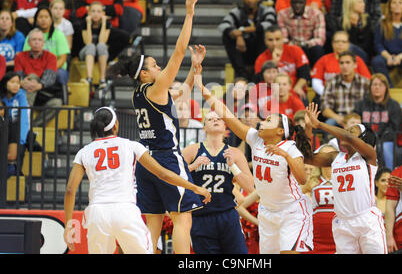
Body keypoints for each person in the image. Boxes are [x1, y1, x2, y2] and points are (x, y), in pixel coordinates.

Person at [106, 0, 205, 254]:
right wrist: (189, 14)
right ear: (145, 74)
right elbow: (179, 50)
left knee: (153, 224)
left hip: (145, 162)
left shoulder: (140, 93)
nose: (160, 66)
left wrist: (195, 72)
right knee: (183, 219)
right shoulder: (155, 86)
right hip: (167, 158)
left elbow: (180, 93)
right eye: (154, 65)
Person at [63, 106, 210, 254]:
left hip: (97, 213)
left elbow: (70, 190)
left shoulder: (84, 152)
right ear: (115, 125)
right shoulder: (132, 145)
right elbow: (163, 174)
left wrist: (69, 224)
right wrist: (194, 187)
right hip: (125, 210)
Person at [195, 72, 314, 254]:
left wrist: (286, 156)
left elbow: (303, 179)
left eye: (268, 120)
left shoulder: (290, 148)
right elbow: (228, 116)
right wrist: (204, 90)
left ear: (279, 131)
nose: (262, 121)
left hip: (291, 212)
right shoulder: (256, 139)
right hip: (267, 211)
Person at [304, 102, 387, 254]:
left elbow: (347, 137)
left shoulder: (368, 156)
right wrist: (308, 128)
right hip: (342, 222)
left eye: (351, 131)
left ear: (362, 138)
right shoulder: (335, 157)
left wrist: (320, 124)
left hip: (366, 220)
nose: (345, 132)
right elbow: (306, 157)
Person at [182, 111, 254, 254]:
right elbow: (172, 178)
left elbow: (250, 187)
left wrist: (233, 166)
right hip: (200, 217)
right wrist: (192, 166)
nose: (215, 120)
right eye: (210, 119)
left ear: (225, 126)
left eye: (219, 118)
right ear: (204, 128)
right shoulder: (191, 151)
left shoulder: (235, 153)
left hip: (228, 215)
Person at [218, 0, 276, 81]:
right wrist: (237, 35)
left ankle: (259, 72)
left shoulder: (266, 10)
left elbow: (268, 24)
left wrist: (242, 31)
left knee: (265, 33)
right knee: (227, 36)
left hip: (260, 49)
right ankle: (242, 75)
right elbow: (223, 25)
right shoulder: (237, 12)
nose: (249, 0)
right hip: (243, 50)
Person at [353, 73, 402, 170]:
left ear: (386, 88)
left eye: (380, 85)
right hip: (364, 140)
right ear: (370, 87)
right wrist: (369, 141)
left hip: (386, 141)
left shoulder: (394, 105)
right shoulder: (360, 105)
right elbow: (357, 125)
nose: (377, 87)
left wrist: (377, 142)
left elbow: (394, 128)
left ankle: (389, 174)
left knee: (386, 147)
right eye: (374, 85)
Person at [14, 28, 62, 127]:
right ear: (29, 42)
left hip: (43, 92)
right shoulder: (20, 56)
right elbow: (18, 76)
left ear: (43, 43)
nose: (37, 42)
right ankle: (26, 116)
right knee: (32, 77)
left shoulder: (51, 57)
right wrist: (22, 82)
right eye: (34, 39)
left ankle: (30, 127)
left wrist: (39, 85)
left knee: (57, 103)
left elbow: (50, 77)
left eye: (39, 40)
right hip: (24, 91)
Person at [254, 25, 310, 103]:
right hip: (272, 94)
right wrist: (273, 63)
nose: (274, 43)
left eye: (277, 39)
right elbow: (260, 81)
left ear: (282, 39)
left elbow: (305, 74)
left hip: (295, 90)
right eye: (270, 40)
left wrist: (297, 87)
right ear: (265, 41)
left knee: (302, 97)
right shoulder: (261, 59)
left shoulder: (295, 50)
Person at [311, 31, 371, 100]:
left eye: (343, 42)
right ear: (332, 44)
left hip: (354, 96)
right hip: (327, 95)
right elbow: (316, 82)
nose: (340, 44)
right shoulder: (323, 60)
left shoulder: (357, 60)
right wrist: (326, 93)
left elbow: (367, 81)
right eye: (337, 41)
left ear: (348, 44)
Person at [23, 7, 71, 89]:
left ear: (51, 20)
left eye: (46, 17)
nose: (43, 20)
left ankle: (63, 98)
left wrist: (48, 71)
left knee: (61, 74)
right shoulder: (31, 35)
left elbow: (62, 59)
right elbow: (26, 56)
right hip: (34, 67)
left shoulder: (59, 35)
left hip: (56, 68)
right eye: (40, 17)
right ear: (36, 20)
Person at [320, 50, 370, 127]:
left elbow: (370, 106)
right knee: (329, 123)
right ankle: (332, 139)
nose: (344, 66)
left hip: (360, 119)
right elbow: (325, 109)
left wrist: (358, 120)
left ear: (355, 65)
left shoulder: (365, 83)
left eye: (348, 62)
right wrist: (338, 118)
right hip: (339, 119)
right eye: (342, 63)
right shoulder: (331, 83)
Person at [277, 0, 325, 66]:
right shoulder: (282, 14)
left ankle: (316, 72)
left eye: (300, 3)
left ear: (305, 3)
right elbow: (282, 38)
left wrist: (305, 44)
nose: (297, 5)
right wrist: (293, 45)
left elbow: (320, 38)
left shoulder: (316, 14)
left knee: (318, 49)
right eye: (295, 3)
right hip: (291, 47)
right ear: (290, 3)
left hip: (309, 46)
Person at [306, 144, 336, 254]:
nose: (328, 158)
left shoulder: (344, 181)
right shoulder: (312, 181)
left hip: (340, 238)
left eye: (331, 155)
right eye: (324, 155)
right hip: (316, 239)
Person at [79, 1, 111, 92]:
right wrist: (89, 24)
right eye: (93, 11)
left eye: (98, 11)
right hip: (85, 53)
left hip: (101, 53)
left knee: (101, 45)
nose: (96, 14)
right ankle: (89, 78)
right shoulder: (84, 23)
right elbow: (88, 42)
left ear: (103, 13)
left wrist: (104, 23)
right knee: (91, 46)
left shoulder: (107, 24)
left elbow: (102, 41)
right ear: (89, 13)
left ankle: (102, 79)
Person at [338, 0, 374, 65]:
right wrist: (353, 26)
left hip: (364, 54)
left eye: (363, 2)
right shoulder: (342, 21)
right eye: (360, 2)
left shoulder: (366, 19)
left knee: (348, 46)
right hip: (346, 53)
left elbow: (368, 43)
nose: (363, 4)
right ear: (351, 5)